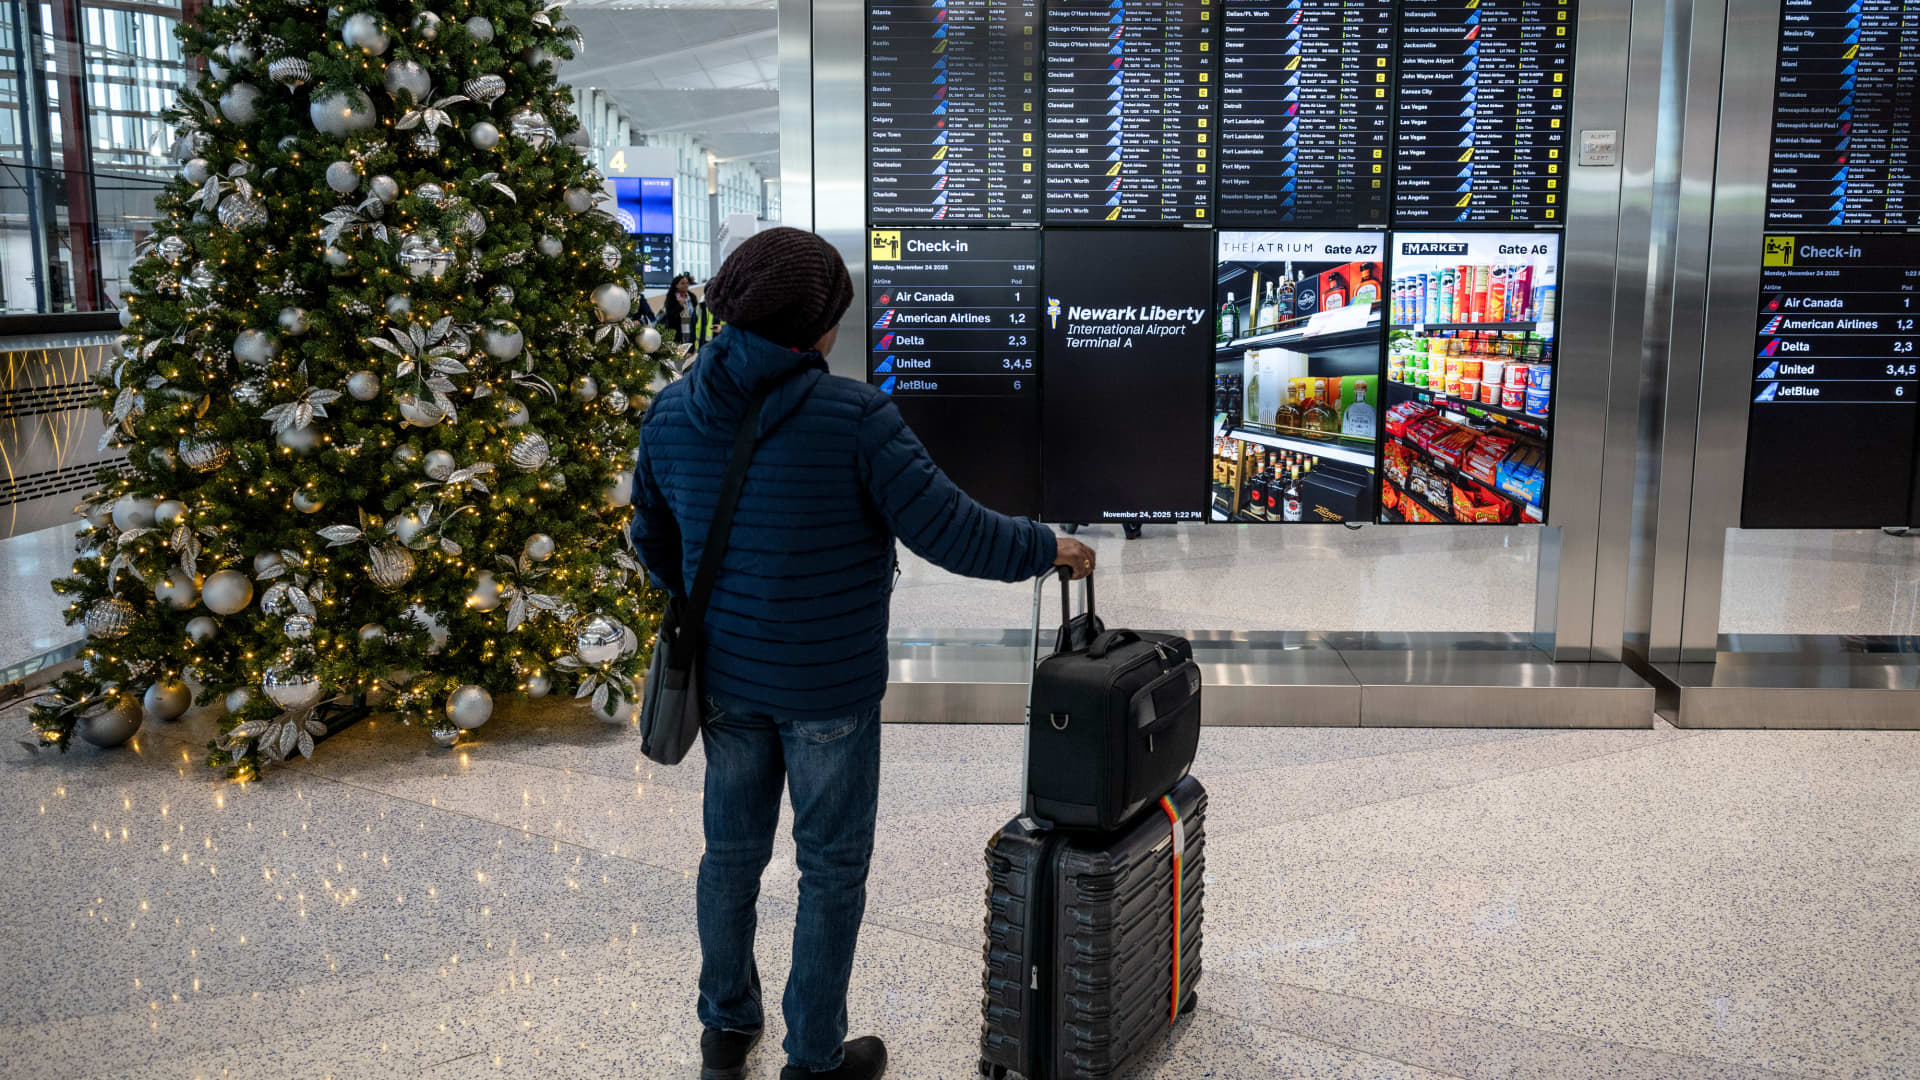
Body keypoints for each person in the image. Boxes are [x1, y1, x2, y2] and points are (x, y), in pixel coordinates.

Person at [631, 228, 1094, 1080]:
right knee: (831, 870)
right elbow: (953, 531)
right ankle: (812, 1058)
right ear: (815, 329)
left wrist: (721, 603)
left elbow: (652, 542)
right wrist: (1047, 548)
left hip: (726, 681)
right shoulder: (853, 417)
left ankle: (725, 1026)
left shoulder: (671, 412)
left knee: (729, 858)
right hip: (829, 692)